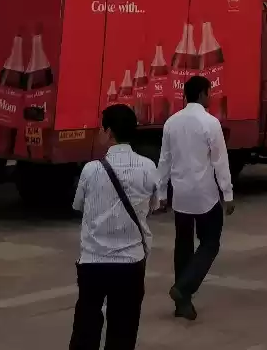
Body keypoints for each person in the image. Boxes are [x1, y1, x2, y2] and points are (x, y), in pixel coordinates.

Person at [69, 103, 157, 350]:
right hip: (130, 263)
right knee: (123, 330)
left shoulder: (91, 170)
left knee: (86, 328)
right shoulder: (149, 168)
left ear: (108, 132)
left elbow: (78, 205)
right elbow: (153, 206)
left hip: (93, 262)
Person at [156, 74, 234, 322]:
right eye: (209, 92)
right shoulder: (210, 123)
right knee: (210, 242)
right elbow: (220, 161)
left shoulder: (171, 123)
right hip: (205, 195)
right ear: (201, 94)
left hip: (181, 195)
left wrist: (160, 193)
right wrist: (228, 193)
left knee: (183, 245)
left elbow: (164, 160)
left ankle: (183, 303)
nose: (211, 97)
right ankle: (184, 287)